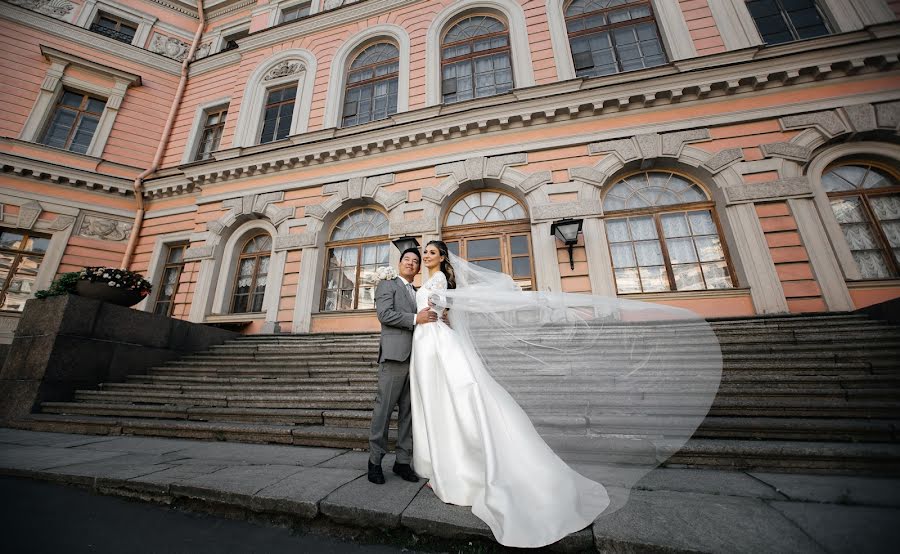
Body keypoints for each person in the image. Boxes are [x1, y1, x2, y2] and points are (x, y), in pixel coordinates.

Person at [408, 240, 610, 548]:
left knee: (452, 401)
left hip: (435, 343)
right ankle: (444, 464)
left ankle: (459, 469)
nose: (426, 256)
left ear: (443, 258)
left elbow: (443, 305)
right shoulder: (428, 281)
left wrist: (439, 310)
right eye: (425, 253)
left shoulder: (440, 281)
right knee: (438, 402)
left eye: (432, 253)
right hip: (425, 343)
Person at [367, 247, 436, 485]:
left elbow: (427, 320)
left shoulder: (418, 292)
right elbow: (384, 315)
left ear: (418, 269)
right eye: (407, 259)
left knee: (409, 413)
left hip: (417, 358)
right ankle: (375, 462)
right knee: (384, 411)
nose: (411, 263)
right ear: (399, 263)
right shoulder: (388, 285)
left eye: (415, 261)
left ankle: (402, 462)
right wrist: (416, 318)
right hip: (395, 357)